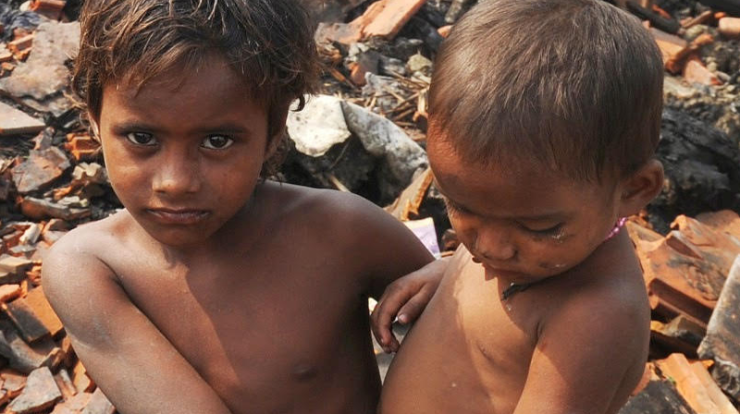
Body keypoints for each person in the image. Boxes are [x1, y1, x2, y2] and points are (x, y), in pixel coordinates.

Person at [41, 1, 444, 413]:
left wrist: (455, 273)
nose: (175, 183)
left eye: (217, 141)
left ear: (274, 131)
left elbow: (466, 323)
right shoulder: (89, 268)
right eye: (142, 138)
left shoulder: (343, 233)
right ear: (95, 119)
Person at [378, 0, 665, 413]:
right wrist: (444, 274)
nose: (489, 249)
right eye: (459, 206)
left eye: (540, 228)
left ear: (635, 190)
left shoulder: (595, 315)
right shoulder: (516, 232)